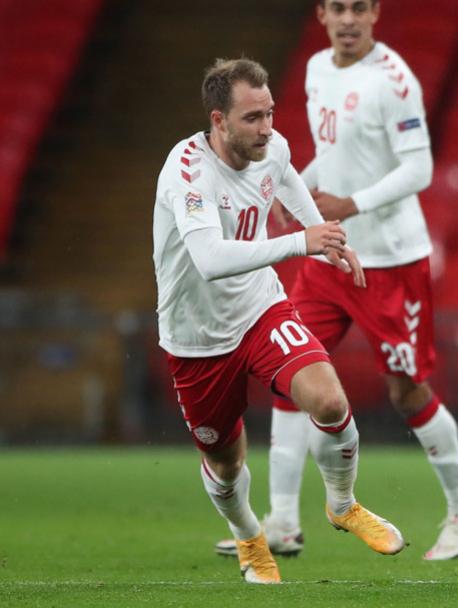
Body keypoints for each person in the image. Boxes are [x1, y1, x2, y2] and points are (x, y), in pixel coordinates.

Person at [214, 0, 458, 562]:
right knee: (292, 373)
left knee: (406, 391)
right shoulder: (317, 68)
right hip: (332, 254)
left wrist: (349, 203)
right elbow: (334, 154)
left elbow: (420, 168)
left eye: (358, 7)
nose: (348, 18)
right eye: (338, 7)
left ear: (374, 13)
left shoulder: (395, 80)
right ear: (321, 13)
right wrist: (294, 193)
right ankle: (284, 520)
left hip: (392, 261)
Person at [153, 58, 404, 584]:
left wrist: (326, 241)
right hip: (197, 337)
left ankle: (342, 504)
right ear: (219, 121)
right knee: (225, 466)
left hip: (260, 309)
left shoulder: (273, 147)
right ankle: (249, 536)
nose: (266, 128)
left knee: (330, 399)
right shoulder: (188, 170)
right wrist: (299, 243)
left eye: (269, 114)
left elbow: (287, 179)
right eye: (252, 119)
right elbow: (210, 261)